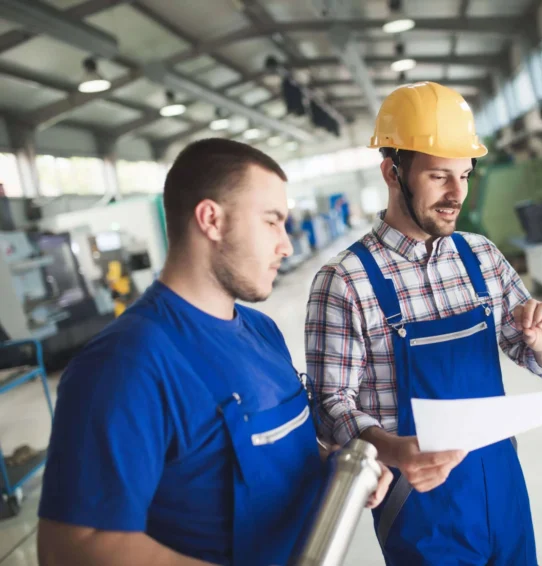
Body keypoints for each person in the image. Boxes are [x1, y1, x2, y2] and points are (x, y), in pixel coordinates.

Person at [36, 139, 390, 566]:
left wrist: (339, 469)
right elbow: (71, 547)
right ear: (211, 220)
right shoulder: (126, 364)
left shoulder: (262, 331)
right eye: (271, 222)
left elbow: (275, 446)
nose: (287, 244)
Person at [304, 82, 542, 565]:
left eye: (465, 175)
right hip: (419, 504)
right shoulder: (344, 280)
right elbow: (329, 407)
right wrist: (393, 449)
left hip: (502, 485)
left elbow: (538, 357)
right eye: (438, 176)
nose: (456, 194)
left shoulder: (482, 256)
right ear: (392, 171)